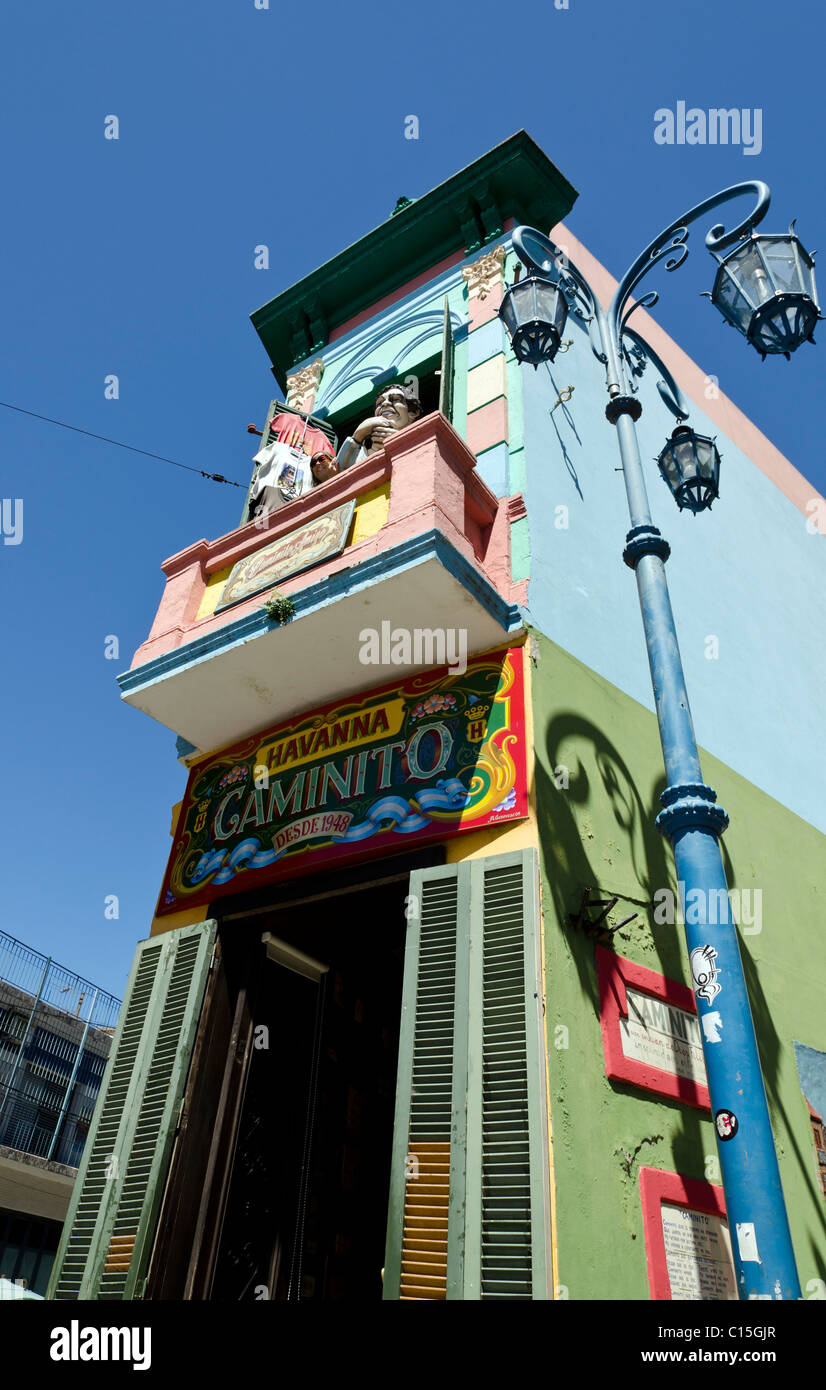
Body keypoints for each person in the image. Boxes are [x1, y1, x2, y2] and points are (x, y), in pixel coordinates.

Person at [335, 384, 423, 472]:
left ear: (414, 412)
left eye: (396, 399)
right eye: (379, 403)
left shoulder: (422, 441)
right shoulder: (363, 455)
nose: (385, 403)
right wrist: (358, 436)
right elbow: (339, 473)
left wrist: (400, 442)